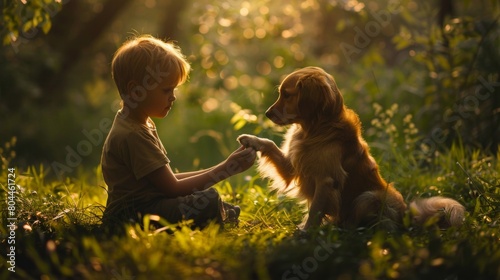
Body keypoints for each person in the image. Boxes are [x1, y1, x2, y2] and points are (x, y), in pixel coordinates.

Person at [101, 35, 256, 229]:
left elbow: (168, 181)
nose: (173, 97)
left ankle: (223, 212)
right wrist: (226, 169)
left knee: (207, 199)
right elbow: (173, 189)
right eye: (166, 90)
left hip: (146, 208)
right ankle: (221, 214)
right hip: (135, 217)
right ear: (136, 90)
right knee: (208, 199)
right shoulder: (132, 135)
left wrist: (226, 164)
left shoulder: (137, 123)